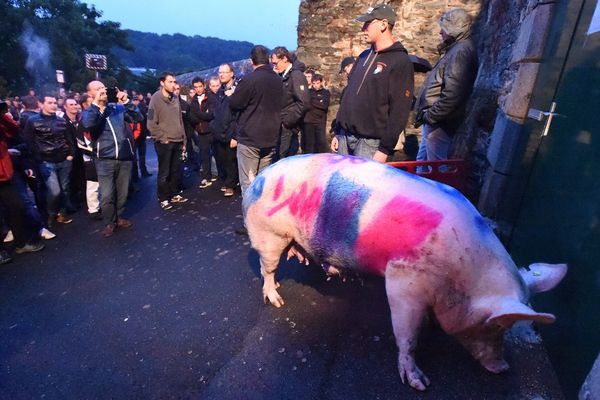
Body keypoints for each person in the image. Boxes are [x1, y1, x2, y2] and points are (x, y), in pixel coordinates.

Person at [331, 3, 414, 162]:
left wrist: (384, 149)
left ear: (383, 24)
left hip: (370, 144)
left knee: (362, 187)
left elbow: (400, 109)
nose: (363, 28)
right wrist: (338, 131)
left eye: (368, 23)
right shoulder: (363, 56)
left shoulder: (400, 61)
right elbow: (348, 95)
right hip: (344, 139)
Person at [414, 8, 478, 162]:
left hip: (439, 123)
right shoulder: (456, 49)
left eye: (445, 28)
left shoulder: (461, 51)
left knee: (435, 170)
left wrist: (431, 116)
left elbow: (453, 94)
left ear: (455, 30)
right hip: (436, 121)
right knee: (422, 165)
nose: (440, 32)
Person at [81, 81, 137, 237]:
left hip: (124, 156)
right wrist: (95, 104)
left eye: (102, 88)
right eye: (97, 89)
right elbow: (87, 124)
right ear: (90, 93)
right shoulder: (89, 111)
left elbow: (137, 116)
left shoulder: (117, 108)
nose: (102, 90)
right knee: (106, 194)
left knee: (123, 192)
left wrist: (127, 101)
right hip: (104, 159)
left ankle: (119, 216)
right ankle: (109, 222)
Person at [230, 45, 283, 195]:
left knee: (248, 183)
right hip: (271, 136)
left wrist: (234, 94)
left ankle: (250, 214)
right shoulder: (278, 80)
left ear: (251, 62)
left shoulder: (249, 80)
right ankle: (262, 215)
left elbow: (235, 104)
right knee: (263, 181)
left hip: (250, 137)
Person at [22, 95, 76, 226]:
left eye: (54, 102)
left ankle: (61, 214)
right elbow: (28, 142)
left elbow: (69, 139)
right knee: (55, 191)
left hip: (64, 159)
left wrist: (70, 155)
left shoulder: (61, 121)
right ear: (41, 104)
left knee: (64, 188)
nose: (53, 105)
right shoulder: (32, 121)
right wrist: (38, 158)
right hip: (46, 161)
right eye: (49, 102)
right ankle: (51, 214)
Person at [0, 103, 45, 255]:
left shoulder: (3, 121)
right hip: (5, 172)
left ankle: (21, 243)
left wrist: (3, 116)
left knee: (17, 206)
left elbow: (14, 131)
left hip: (5, 174)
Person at [147, 72, 189, 210]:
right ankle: (163, 198)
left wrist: (184, 140)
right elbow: (151, 122)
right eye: (170, 82)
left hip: (178, 140)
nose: (173, 85)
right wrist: (161, 138)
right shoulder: (155, 98)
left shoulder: (175, 98)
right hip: (165, 142)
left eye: (174, 82)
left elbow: (180, 121)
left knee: (175, 170)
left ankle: (174, 193)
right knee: (164, 172)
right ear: (162, 82)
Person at [270, 46, 310, 159]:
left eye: (275, 63)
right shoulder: (283, 76)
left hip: (288, 129)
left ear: (284, 59)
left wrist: (287, 122)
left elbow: (304, 103)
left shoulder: (296, 76)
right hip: (282, 127)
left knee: (284, 160)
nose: (274, 66)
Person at [210, 68, 238, 198]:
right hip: (219, 133)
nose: (221, 74)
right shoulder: (220, 92)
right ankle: (228, 181)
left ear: (232, 74)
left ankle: (230, 185)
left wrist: (235, 136)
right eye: (220, 72)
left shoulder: (237, 90)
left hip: (231, 132)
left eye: (225, 72)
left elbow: (239, 115)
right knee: (221, 159)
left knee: (231, 160)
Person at [188, 77, 214, 188]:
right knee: (204, 156)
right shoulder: (193, 101)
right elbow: (192, 118)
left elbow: (212, 115)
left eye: (200, 86)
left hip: (212, 131)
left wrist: (199, 114)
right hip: (201, 132)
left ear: (204, 86)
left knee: (219, 155)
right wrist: (203, 115)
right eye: (196, 87)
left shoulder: (210, 97)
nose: (198, 89)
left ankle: (224, 177)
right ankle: (207, 177)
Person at [303, 74, 330, 153]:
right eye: (314, 83)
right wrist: (318, 101)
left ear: (321, 82)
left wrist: (312, 101)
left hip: (320, 121)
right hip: (309, 121)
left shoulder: (325, 93)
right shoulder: (308, 92)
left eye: (317, 83)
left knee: (321, 143)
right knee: (309, 144)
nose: (316, 85)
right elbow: (306, 104)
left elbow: (324, 105)